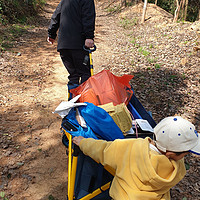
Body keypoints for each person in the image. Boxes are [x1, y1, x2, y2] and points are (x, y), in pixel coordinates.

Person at [72, 116, 200, 200]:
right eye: (186, 153)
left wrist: (83, 142)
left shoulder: (131, 147)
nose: (185, 156)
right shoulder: (176, 170)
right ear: (171, 154)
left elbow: (103, 150)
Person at [47, 0, 96, 98]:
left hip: (63, 45)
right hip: (78, 44)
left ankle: (72, 104)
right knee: (85, 73)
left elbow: (56, 16)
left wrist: (51, 34)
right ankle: (84, 105)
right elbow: (88, 16)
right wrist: (89, 36)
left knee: (73, 75)